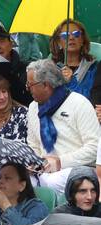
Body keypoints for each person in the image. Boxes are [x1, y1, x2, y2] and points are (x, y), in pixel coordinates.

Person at [26, 58, 100, 196]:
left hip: (77, 169)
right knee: (20, 182)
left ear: (46, 85)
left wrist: (61, 162)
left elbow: (94, 148)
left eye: (30, 85)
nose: (27, 89)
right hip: (43, 169)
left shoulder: (79, 103)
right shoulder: (32, 108)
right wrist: (33, 163)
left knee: (51, 183)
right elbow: (33, 144)